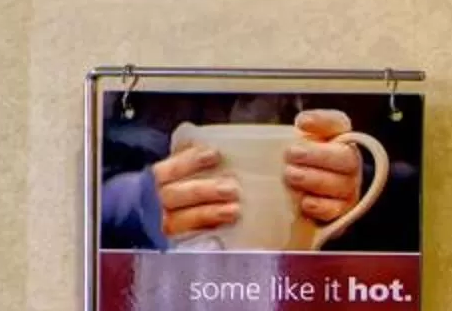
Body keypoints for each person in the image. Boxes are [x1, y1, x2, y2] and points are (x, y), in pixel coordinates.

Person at [98, 106, 380, 251]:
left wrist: (345, 183)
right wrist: (132, 203)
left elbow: (410, 184)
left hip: (309, 293)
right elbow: (70, 194)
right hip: (174, 297)